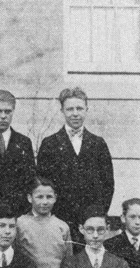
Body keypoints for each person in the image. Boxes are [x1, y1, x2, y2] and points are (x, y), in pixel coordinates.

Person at [37, 87, 114, 243]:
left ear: (86, 110)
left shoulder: (98, 144)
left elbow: (108, 184)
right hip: (60, 219)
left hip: (90, 223)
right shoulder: (50, 144)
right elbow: (43, 183)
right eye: (70, 109)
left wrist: (96, 216)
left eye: (79, 108)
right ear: (62, 111)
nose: (75, 113)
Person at [16, 177, 73, 268]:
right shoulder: (20, 224)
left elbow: (68, 262)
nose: (45, 201)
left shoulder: (62, 227)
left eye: (49, 197)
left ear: (55, 198)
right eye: (39, 197)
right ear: (30, 198)